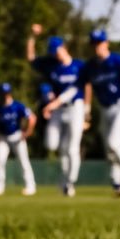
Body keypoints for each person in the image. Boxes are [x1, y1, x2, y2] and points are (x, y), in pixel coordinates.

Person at [80, 29, 120, 197]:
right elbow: (87, 87)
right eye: (94, 44)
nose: (96, 47)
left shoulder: (118, 60)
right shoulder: (90, 66)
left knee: (115, 142)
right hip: (104, 108)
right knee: (109, 148)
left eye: (99, 43)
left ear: (106, 43)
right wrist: (86, 112)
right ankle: (116, 184)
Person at [29, 32, 85, 197]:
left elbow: (81, 88)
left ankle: (69, 182)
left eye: (57, 49)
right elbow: (31, 59)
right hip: (58, 110)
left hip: (75, 107)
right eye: (52, 51)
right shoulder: (51, 65)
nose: (55, 53)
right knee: (54, 145)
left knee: (72, 148)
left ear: (64, 47)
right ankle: (65, 180)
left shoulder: (79, 66)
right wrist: (32, 37)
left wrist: (87, 111)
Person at [0, 82, 36, 196]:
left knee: (23, 162)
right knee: (0, 161)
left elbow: (32, 118)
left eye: (6, 93)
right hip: (3, 138)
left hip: (17, 137)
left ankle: (30, 185)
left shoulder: (18, 106)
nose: (4, 96)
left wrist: (27, 132)